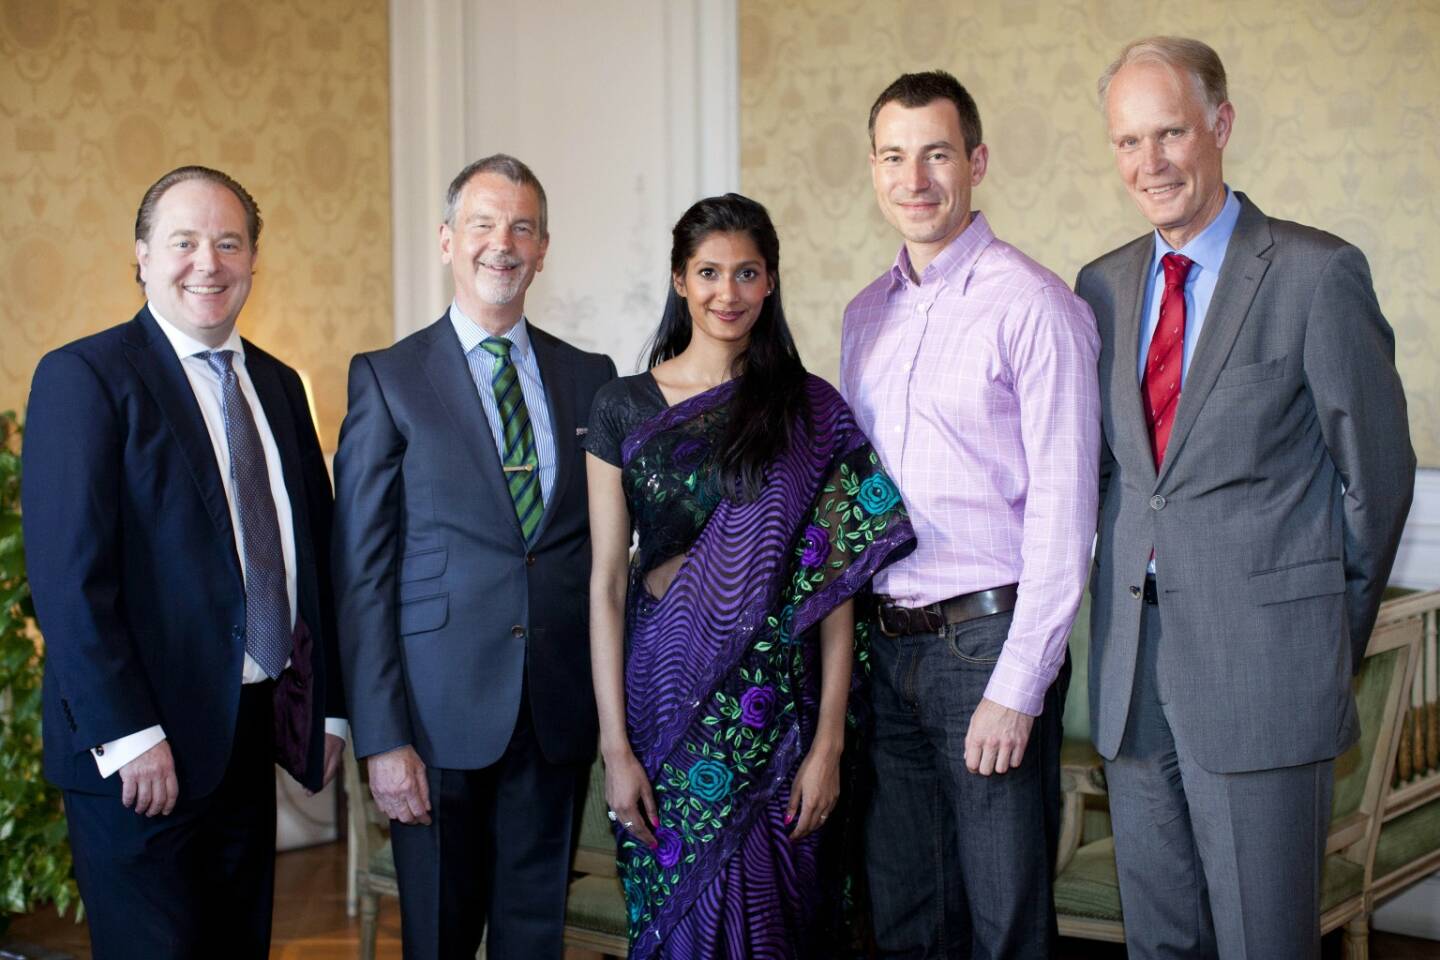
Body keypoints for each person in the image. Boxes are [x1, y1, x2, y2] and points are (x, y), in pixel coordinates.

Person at [1075, 36, 1415, 958]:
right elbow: (1118, 481)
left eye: (1171, 133)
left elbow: (1376, 483)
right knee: (1161, 947)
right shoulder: (1101, 289)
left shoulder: (1316, 274)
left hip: (1267, 678)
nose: (1149, 164)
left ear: (1221, 125)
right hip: (1134, 681)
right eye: (1127, 141)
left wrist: (1311, 639)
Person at [21, 165, 347, 959]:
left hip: (247, 735)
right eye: (184, 242)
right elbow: (69, 580)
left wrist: (328, 707)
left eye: (229, 243)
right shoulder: (85, 377)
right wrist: (130, 735)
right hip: (141, 749)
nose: (209, 262)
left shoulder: (275, 384)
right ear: (140, 256)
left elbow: (320, 557)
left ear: (253, 262)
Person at [585, 193, 915, 959]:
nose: (725, 293)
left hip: (780, 713)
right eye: (708, 272)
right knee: (679, 923)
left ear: (770, 283)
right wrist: (615, 750)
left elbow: (835, 591)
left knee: (777, 922)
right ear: (678, 280)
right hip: (661, 707)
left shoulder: (811, 411)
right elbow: (605, 584)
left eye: (746, 273)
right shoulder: (622, 407)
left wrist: (828, 741)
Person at [841, 71, 1100, 958]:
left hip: (986, 649)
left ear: (977, 162)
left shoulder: (1033, 305)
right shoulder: (863, 317)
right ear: (873, 170)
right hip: (886, 648)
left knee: (1004, 923)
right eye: (893, 156)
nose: (914, 179)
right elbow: (862, 490)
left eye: (937, 154)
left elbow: (1068, 515)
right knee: (909, 917)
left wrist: (1018, 687)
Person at [331, 153, 616, 959]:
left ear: (544, 246)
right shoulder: (389, 379)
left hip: (553, 713)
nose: (504, 243)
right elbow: (361, 574)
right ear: (449, 240)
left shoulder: (587, 376)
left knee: (535, 940)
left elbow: (599, 547)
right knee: (440, 940)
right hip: (434, 718)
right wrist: (383, 740)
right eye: (485, 225)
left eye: (522, 227)